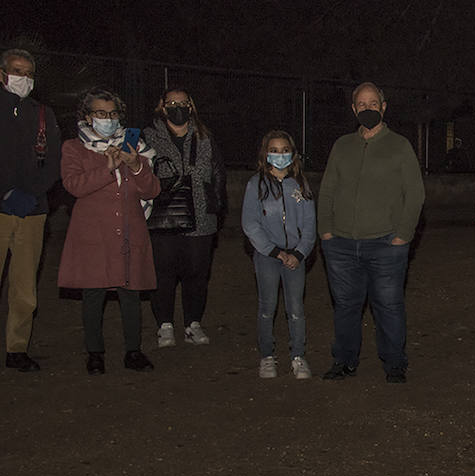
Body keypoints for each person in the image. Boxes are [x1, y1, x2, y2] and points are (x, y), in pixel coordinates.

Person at [317, 83, 424, 383]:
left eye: (373, 103)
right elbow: (327, 190)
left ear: (384, 106)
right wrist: (325, 231)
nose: (367, 108)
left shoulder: (400, 146)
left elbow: (415, 194)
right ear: (353, 109)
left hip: (385, 244)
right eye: (361, 104)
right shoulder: (342, 146)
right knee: (346, 307)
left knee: (388, 306)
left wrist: (403, 235)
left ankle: (394, 364)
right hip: (340, 244)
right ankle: (344, 361)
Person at [58, 88, 161, 374]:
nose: (108, 119)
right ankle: (95, 352)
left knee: (131, 291)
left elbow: (152, 189)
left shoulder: (134, 146)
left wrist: (136, 165)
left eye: (113, 113)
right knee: (93, 292)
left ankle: (133, 351)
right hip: (92, 233)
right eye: (100, 114)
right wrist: (108, 166)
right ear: (88, 117)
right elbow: (74, 185)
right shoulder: (74, 148)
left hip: (129, 229)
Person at [142, 88, 227, 348]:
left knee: (197, 274)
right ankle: (164, 325)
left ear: (191, 106)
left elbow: (217, 174)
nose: (177, 107)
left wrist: (218, 209)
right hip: (163, 216)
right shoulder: (148, 137)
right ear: (161, 106)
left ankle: (193, 323)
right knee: (163, 273)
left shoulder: (204, 136)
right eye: (172, 103)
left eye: (183, 103)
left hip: (201, 217)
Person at [0, 48, 61, 373]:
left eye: (27, 73)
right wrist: (6, 192)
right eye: (15, 71)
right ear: (2, 73)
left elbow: (53, 162)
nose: (21, 78)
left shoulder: (42, 114)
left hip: (33, 211)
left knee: (25, 287)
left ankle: (16, 348)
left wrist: (32, 193)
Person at [242, 130, 316, 380]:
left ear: (293, 154)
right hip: (268, 256)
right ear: (265, 153)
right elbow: (250, 223)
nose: (280, 155)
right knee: (267, 306)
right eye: (274, 150)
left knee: (295, 308)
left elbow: (309, 225)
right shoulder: (256, 184)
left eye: (285, 150)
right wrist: (273, 251)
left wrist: (299, 252)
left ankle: (298, 355)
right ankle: (267, 356)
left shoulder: (301, 185)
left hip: (296, 258)